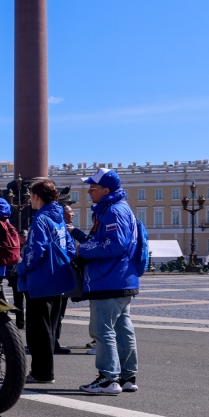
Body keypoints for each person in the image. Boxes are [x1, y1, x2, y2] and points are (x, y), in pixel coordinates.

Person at [73, 168, 142, 395]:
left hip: (109, 279)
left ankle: (108, 379)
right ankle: (127, 377)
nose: (89, 192)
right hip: (122, 278)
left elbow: (115, 244)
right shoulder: (120, 208)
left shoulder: (113, 211)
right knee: (122, 329)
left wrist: (83, 249)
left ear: (105, 190)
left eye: (92, 188)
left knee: (103, 330)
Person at [17, 179, 76, 384]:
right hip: (58, 280)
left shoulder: (40, 219)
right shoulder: (59, 219)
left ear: (36, 197)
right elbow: (70, 248)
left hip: (40, 281)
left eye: (30, 196)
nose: (29, 200)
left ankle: (41, 373)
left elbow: (35, 251)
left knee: (37, 331)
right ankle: (45, 371)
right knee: (49, 328)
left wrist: (22, 268)